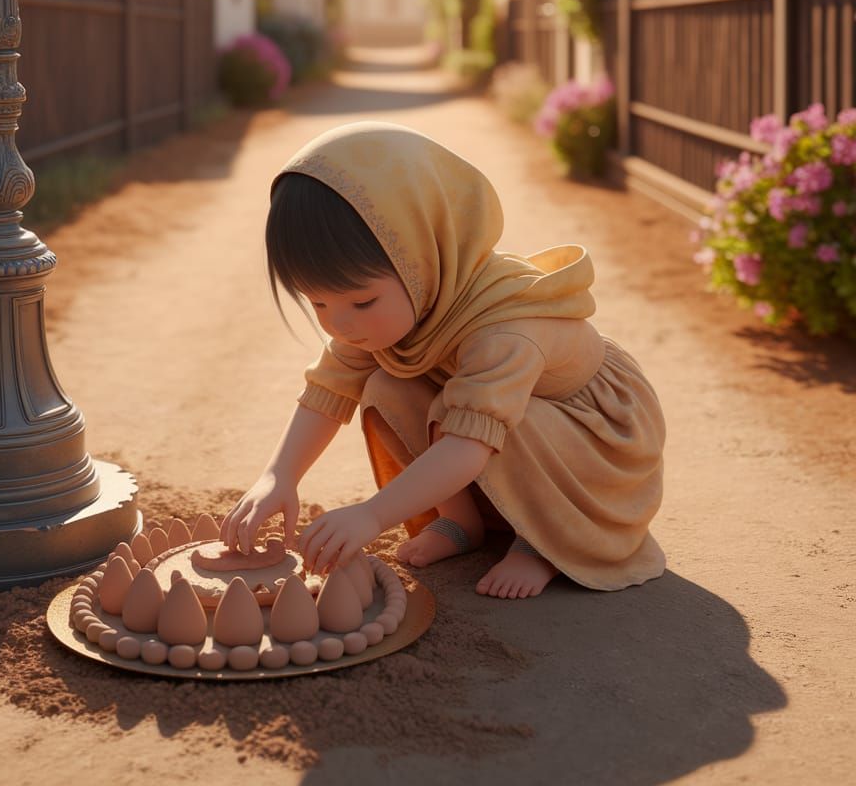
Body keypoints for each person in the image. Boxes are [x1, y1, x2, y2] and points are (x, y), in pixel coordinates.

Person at [220, 122, 666, 599]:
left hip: (587, 442)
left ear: (422, 256)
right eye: (318, 303)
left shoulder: (506, 330)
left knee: (493, 417)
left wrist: (372, 514)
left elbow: (469, 445)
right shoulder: (392, 308)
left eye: (362, 302)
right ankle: (461, 522)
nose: (340, 324)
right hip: (494, 424)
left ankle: (545, 544)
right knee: (386, 387)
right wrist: (279, 476)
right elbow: (328, 391)